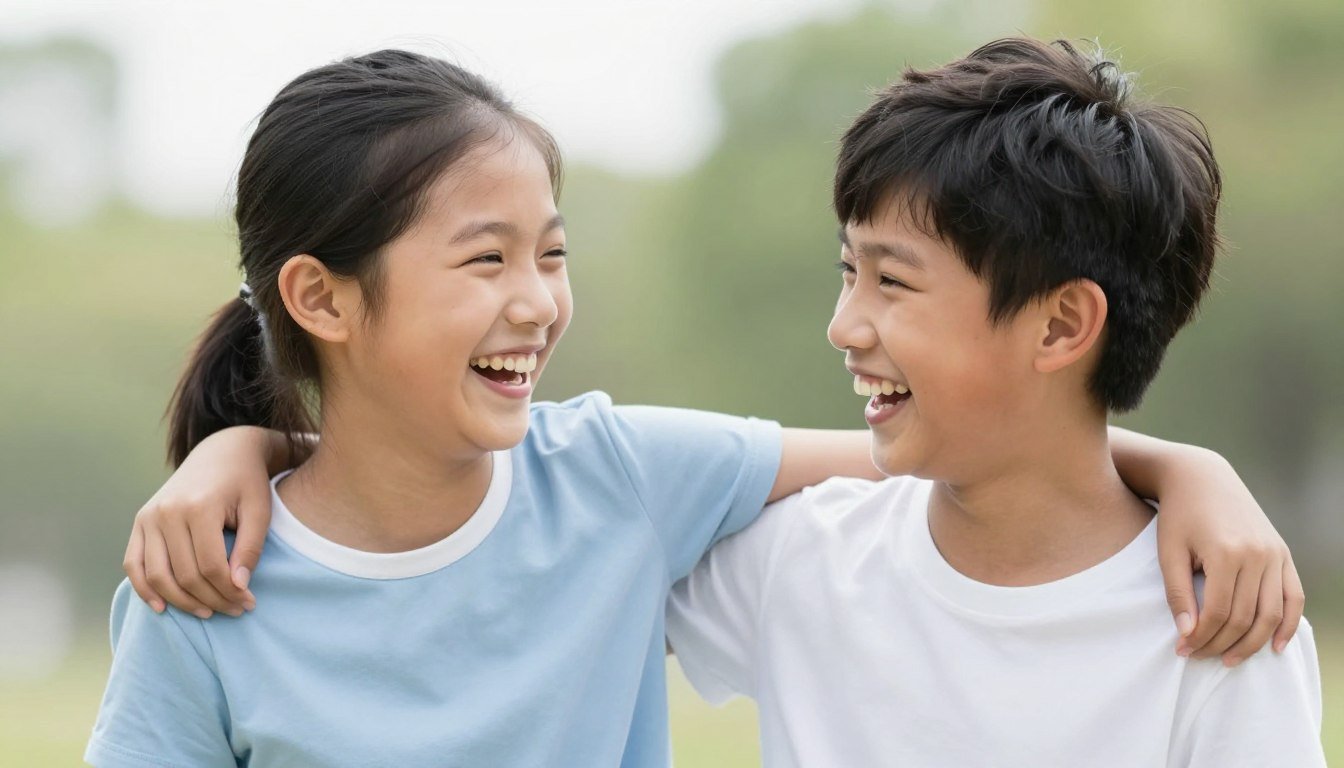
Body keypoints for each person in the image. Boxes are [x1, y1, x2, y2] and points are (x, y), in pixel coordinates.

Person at [96, 49, 1300, 767]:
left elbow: (995, 454)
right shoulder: (203, 591)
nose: (534, 304)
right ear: (318, 297)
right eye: (484, 262)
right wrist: (241, 450)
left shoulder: (617, 485)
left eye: (551, 255)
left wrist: (1186, 468)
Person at [665, 37, 1325, 767]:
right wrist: (1181, 465)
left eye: (893, 282)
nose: (843, 325)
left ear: (1061, 325)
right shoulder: (797, 562)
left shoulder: (1223, 632)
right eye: (849, 270)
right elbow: (566, 509)